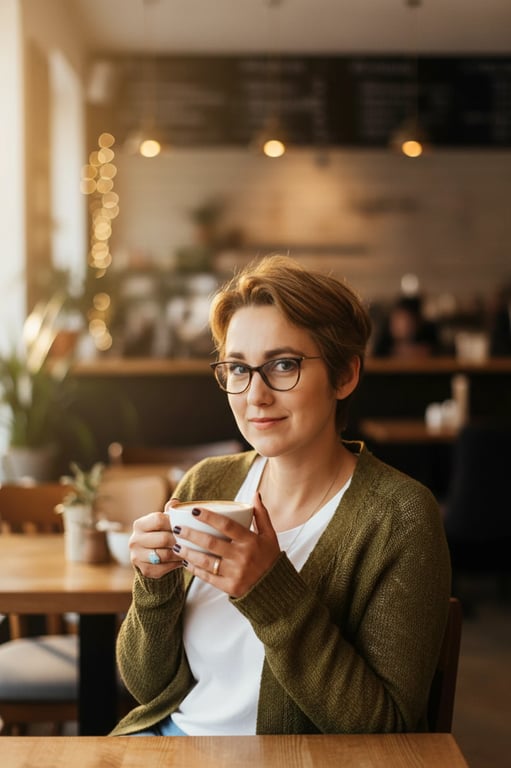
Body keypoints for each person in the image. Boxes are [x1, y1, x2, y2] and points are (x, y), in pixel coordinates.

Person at [112, 255, 451, 737]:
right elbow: (149, 688)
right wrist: (152, 586)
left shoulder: (399, 518)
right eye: (237, 368)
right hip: (165, 746)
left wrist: (269, 591)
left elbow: (385, 729)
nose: (256, 395)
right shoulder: (204, 486)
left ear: (345, 375)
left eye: (283, 365)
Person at [372, 295, 441, 358]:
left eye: (406, 320)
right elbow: (376, 356)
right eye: (396, 320)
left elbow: (439, 353)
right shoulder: (384, 341)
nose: (399, 326)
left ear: (417, 322)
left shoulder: (429, 334)